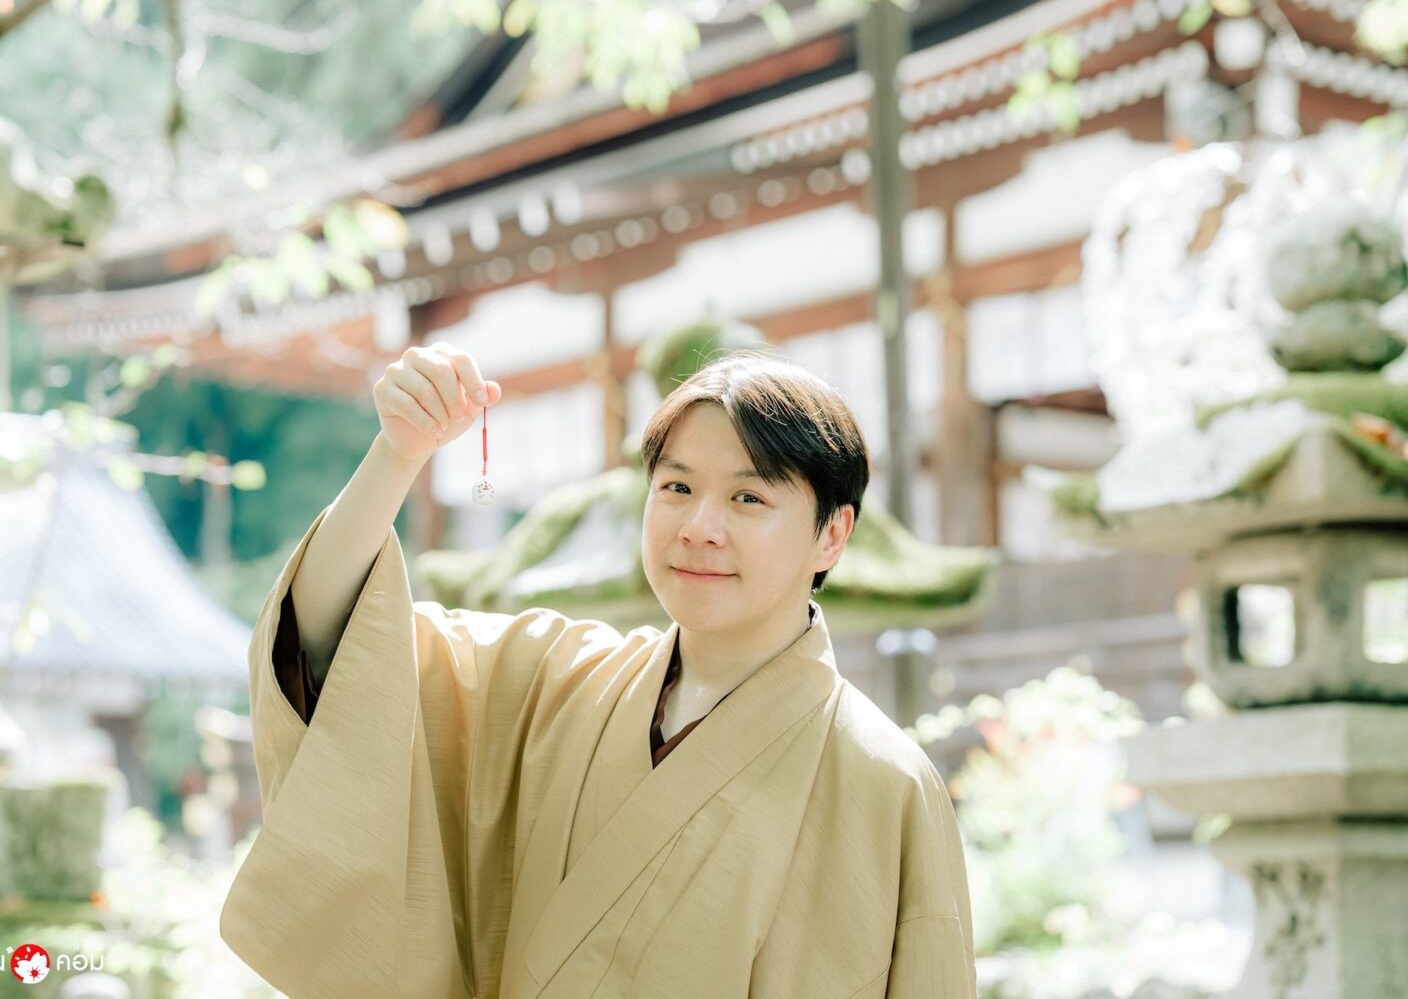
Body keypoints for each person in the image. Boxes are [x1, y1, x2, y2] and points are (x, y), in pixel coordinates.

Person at [219, 342, 976, 999]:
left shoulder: (886, 783)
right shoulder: (555, 680)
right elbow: (339, 647)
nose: (698, 527)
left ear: (831, 535)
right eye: (676, 487)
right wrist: (399, 454)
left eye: (749, 496)